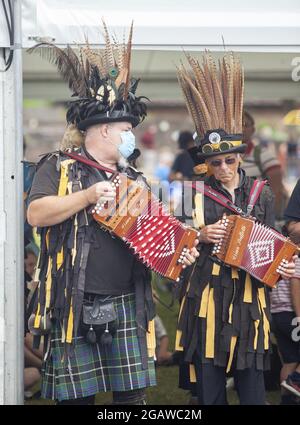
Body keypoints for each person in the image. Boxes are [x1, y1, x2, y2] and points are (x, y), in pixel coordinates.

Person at [27, 23, 198, 405]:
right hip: (74, 299)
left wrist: (178, 253)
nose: (130, 136)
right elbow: (37, 214)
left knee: (132, 400)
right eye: (125, 129)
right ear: (104, 131)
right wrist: (87, 195)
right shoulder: (58, 166)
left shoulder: (134, 178)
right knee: (76, 402)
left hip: (127, 301)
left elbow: (155, 237)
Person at [175, 51, 296, 405]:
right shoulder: (188, 193)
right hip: (206, 297)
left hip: (249, 299)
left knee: (253, 387)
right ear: (206, 164)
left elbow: (274, 240)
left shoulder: (262, 192)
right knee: (210, 388)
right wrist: (199, 235)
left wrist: (282, 264)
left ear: (241, 157)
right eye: (216, 162)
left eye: (230, 160)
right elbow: (170, 245)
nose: (224, 167)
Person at [242, 110, 288, 222]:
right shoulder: (225, 158)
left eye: (245, 125)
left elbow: (276, 190)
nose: (241, 129)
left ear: (253, 129)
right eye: (238, 125)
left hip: (259, 218)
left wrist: (271, 220)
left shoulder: (264, 155)